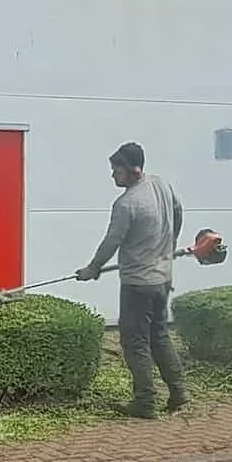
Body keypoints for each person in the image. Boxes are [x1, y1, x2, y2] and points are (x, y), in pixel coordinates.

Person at [75, 141, 187, 418]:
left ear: (133, 171)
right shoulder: (160, 185)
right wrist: (170, 243)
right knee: (159, 335)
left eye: (117, 170)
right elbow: (178, 211)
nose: (113, 175)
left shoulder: (126, 203)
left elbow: (112, 241)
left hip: (138, 283)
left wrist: (93, 268)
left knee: (135, 341)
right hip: (162, 278)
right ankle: (179, 393)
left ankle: (145, 402)